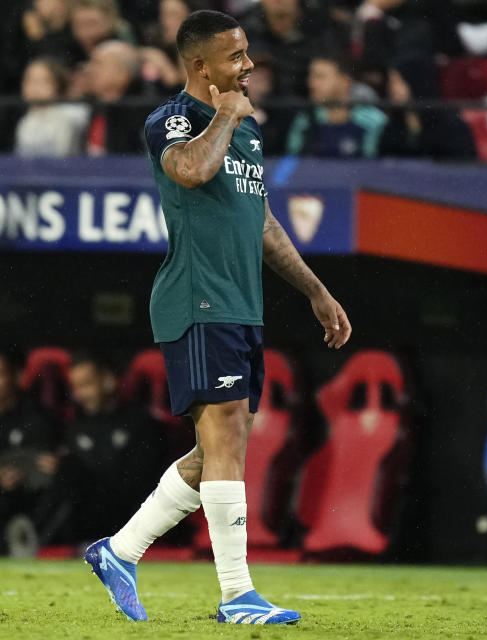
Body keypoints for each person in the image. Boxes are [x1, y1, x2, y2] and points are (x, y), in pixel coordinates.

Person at [83, 9, 352, 625]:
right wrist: (227, 115)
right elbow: (189, 169)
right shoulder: (172, 119)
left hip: (241, 305)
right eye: (235, 57)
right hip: (196, 298)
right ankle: (237, 595)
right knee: (226, 438)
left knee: (215, 456)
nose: (249, 65)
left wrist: (315, 290)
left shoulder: (247, 132)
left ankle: (119, 552)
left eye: (248, 53)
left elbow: (258, 220)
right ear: (200, 65)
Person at [40, 353, 163, 545]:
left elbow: (140, 484)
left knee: (70, 470)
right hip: (85, 518)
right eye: (76, 387)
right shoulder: (75, 427)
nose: (79, 394)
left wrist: (74, 470)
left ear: (108, 380)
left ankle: (36, 540)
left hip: (131, 516)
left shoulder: (140, 423)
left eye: (86, 385)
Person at [0, 348, 58, 555]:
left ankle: (32, 542)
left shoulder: (38, 416)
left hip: (32, 500)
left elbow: (45, 465)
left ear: (17, 375)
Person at [286, 52, 387, 158]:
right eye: (311, 76)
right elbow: (293, 164)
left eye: (320, 77)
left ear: (345, 81)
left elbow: (376, 168)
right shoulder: (305, 119)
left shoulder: (373, 121)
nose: (311, 83)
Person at [15, 57, 89, 157]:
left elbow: (64, 156)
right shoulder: (25, 121)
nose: (34, 87)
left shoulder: (69, 116)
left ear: (57, 84)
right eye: (29, 80)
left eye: (42, 81)